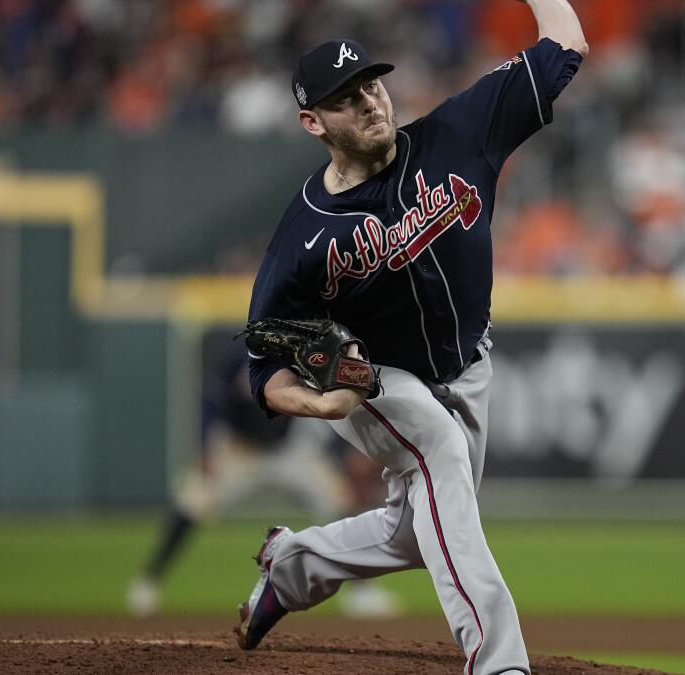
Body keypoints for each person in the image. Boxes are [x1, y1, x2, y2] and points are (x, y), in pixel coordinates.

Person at [233, 2, 587, 674]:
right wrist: (326, 402)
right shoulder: (302, 238)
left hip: (467, 362)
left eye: (370, 84)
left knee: (415, 530)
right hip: (374, 378)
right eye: (344, 99)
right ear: (314, 123)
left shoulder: (459, 131)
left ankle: (291, 567)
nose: (367, 102)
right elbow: (264, 372)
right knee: (438, 446)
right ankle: (497, 660)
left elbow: (565, 40)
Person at [126, 344, 401, 620]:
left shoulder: (302, 352)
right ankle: (148, 582)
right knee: (193, 499)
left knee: (341, 500)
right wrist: (205, 445)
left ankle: (362, 592)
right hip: (239, 447)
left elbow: (330, 401)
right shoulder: (237, 356)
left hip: (288, 449)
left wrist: (341, 454)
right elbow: (210, 402)